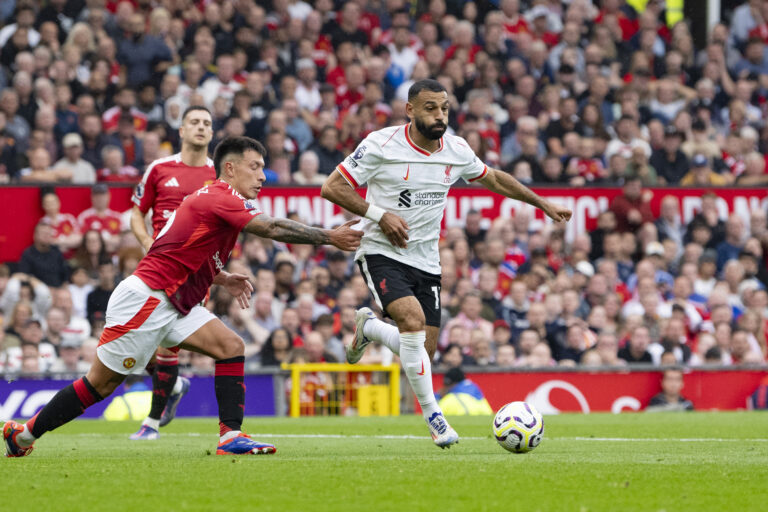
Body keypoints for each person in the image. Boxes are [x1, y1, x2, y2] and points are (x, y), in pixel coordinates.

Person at [3, 136, 363, 457]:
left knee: (230, 346)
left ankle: (231, 435)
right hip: (148, 298)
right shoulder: (221, 196)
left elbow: (177, 249)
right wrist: (329, 236)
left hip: (175, 302)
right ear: (231, 168)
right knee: (101, 384)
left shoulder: (212, 200)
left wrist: (220, 278)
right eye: (255, 167)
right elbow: (272, 227)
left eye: (264, 168)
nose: (262, 176)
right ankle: (23, 434)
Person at [321, 79, 571, 448]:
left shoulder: (456, 149)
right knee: (412, 323)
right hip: (380, 250)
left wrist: (542, 203)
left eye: (444, 108)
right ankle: (436, 419)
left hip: (426, 259)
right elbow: (332, 187)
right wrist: (380, 214)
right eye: (430, 108)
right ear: (410, 110)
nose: (440, 116)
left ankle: (370, 329)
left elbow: (494, 179)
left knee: (423, 349)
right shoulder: (380, 144)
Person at [128, 105, 217, 439]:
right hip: (155, 266)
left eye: (207, 123)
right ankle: (175, 383)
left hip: (193, 273)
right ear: (181, 130)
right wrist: (147, 242)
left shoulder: (218, 174)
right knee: (133, 340)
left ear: (211, 133)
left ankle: (150, 424)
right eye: (194, 122)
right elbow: (137, 213)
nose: (200, 127)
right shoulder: (159, 168)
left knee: (167, 343)